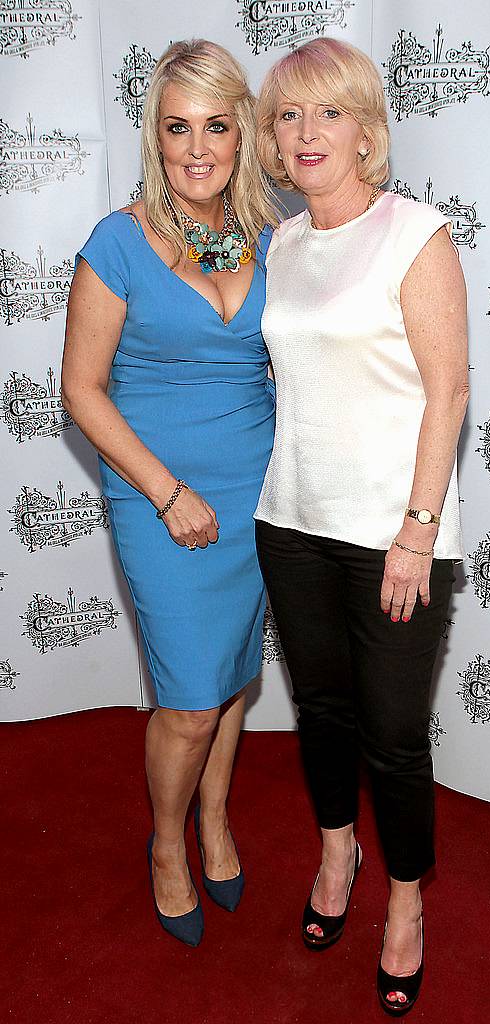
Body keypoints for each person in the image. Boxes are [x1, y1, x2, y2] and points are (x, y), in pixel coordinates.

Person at [255, 38, 468, 1014]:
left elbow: (447, 391)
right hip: (288, 520)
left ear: (365, 129)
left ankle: (406, 905)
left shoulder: (414, 231)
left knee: (392, 735)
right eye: (290, 115)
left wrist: (416, 531)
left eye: (328, 112)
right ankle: (337, 855)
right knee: (325, 714)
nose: (307, 133)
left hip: (393, 538)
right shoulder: (283, 243)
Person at [62, 39, 278, 948]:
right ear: (154, 135)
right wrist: (164, 491)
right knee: (189, 696)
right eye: (177, 126)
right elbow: (79, 387)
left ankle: (217, 818)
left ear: (243, 132)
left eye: (216, 125)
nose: (197, 148)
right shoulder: (119, 238)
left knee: (230, 679)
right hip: (165, 495)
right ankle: (165, 843)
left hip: (263, 489)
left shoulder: (270, 233)